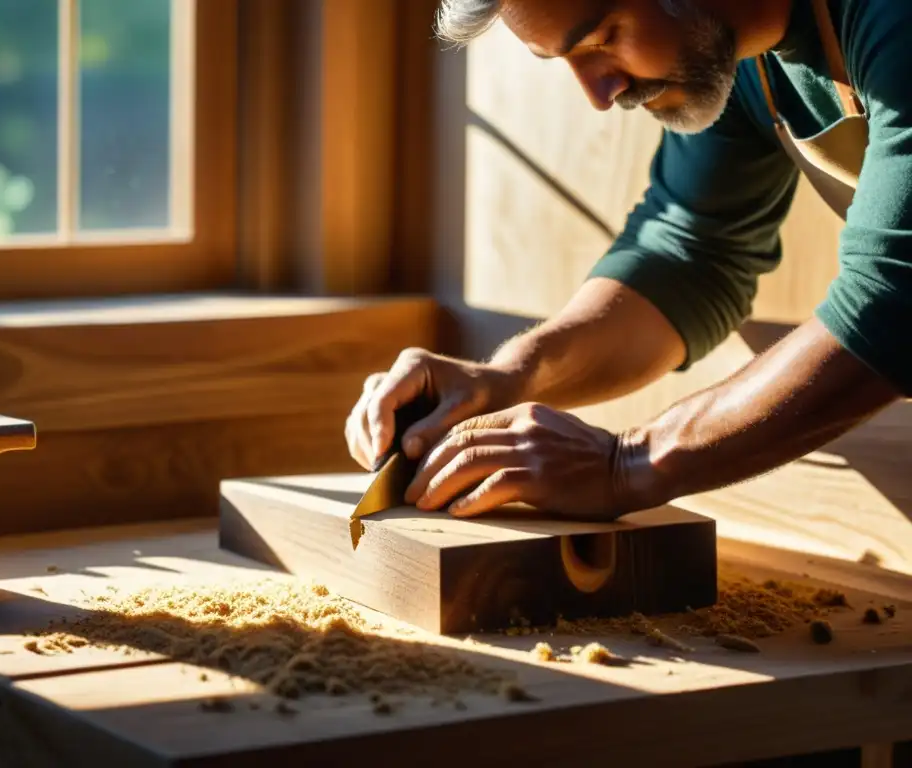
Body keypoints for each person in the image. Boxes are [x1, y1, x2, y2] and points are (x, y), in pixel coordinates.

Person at [344, 0, 911, 522]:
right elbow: (691, 253)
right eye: (567, 61)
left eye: (601, 38)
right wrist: (512, 377)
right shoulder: (743, 51)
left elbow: (896, 299)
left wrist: (632, 464)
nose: (599, 91)